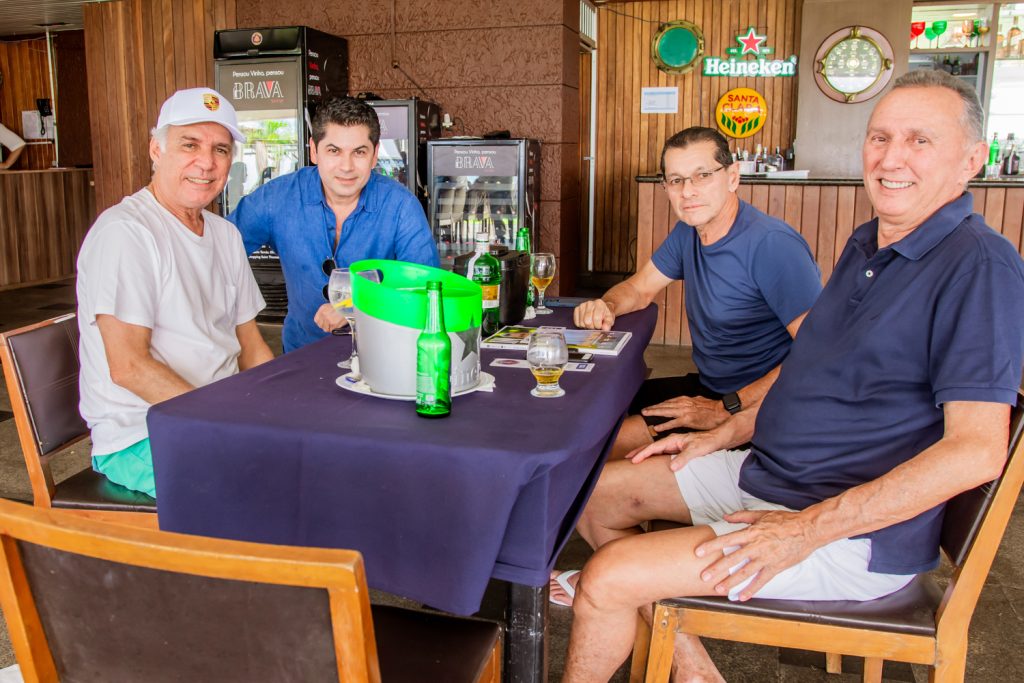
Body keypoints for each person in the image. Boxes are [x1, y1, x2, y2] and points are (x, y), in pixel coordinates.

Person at [560, 70, 1024, 682]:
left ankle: (659, 637)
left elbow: (976, 452)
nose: (890, 158)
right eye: (879, 137)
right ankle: (695, 671)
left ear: (973, 160)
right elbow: (806, 367)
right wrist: (721, 433)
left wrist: (805, 531)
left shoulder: (979, 266)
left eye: (919, 141)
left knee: (608, 576)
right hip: (771, 474)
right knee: (587, 498)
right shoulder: (868, 246)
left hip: (846, 530)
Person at [551, 127, 821, 604]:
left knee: (595, 453)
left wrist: (730, 407)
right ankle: (626, 577)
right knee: (588, 435)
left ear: (732, 176)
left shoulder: (772, 246)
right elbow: (639, 287)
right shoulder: (689, 233)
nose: (687, 191)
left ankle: (625, 582)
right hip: (710, 391)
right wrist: (606, 305)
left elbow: (819, 354)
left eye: (701, 175)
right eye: (675, 181)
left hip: (761, 412)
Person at [77, 87, 274, 498]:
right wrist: (223, 422)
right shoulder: (126, 233)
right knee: (262, 487)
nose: (206, 162)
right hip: (140, 434)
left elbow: (251, 346)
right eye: (190, 145)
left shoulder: (225, 234)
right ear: (156, 149)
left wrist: (278, 412)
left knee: (311, 462)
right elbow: (128, 366)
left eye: (220, 150)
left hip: (214, 419)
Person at [229, 97, 439, 352]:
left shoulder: (401, 206)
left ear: (374, 155)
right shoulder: (277, 197)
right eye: (334, 151)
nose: (347, 167)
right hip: (299, 358)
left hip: (381, 358)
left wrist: (360, 305)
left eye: (359, 152)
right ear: (314, 151)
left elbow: (428, 293)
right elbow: (219, 250)